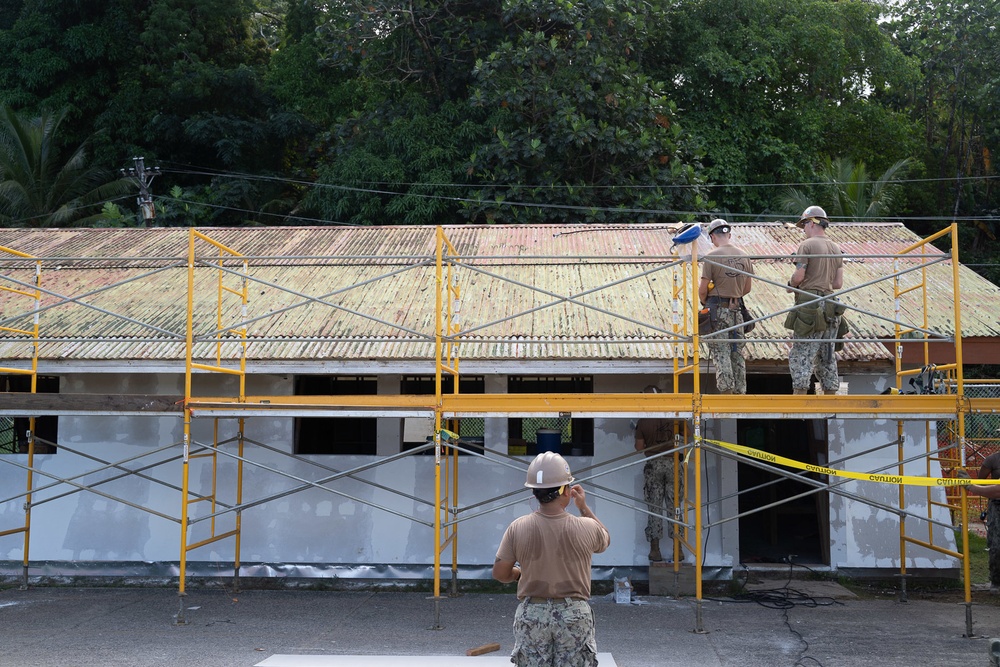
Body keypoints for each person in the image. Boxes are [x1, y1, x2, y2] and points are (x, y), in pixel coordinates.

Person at [493, 451, 610, 667]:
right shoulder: (586, 527)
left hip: (532, 614)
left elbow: (500, 574)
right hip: (574, 614)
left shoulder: (518, 527)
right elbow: (605, 540)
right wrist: (583, 507)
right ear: (566, 491)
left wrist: (518, 573)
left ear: (535, 492)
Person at [785, 206, 845, 395]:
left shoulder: (807, 245)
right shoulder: (836, 248)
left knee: (802, 351)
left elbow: (799, 276)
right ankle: (830, 395)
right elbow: (837, 283)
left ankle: (800, 396)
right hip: (830, 303)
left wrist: (790, 284)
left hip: (810, 303)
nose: (803, 229)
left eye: (804, 225)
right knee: (826, 353)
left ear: (812, 223)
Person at [698, 218, 754, 394]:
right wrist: (734, 293)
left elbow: (702, 291)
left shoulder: (712, 257)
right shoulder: (744, 256)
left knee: (721, 352)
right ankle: (740, 393)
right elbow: (747, 288)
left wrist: (706, 300)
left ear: (713, 237)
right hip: (737, 311)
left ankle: (727, 392)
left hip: (717, 312)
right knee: (737, 353)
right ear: (728, 235)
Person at [633, 385, 679, 562]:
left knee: (655, 508)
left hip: (654, 465)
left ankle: (655, 550)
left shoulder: (644, 422)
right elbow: (689, 435)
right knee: (674, 506)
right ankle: (678, 549)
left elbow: (638, 448)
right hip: (673, 463)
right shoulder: (674, 416)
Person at [971, 453, 1000, 592]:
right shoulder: (993, 460)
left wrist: (972, 487)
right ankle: (996, 581)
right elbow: (981, 481)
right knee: (996, 545)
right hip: (997, 505)